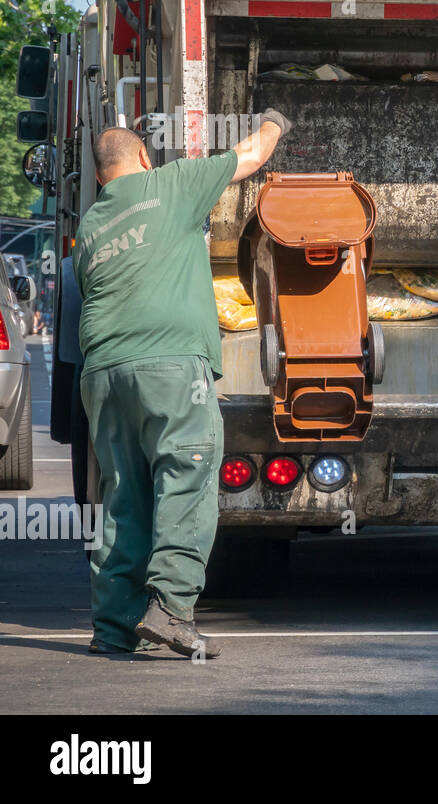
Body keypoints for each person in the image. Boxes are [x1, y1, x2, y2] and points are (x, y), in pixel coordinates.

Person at [76, 112, 288, 656]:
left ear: (102, 177)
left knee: (123, 494)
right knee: (187, 475)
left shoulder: (91, 227)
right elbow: (250, 158)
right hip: (168, 365)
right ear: (145, 157)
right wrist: (272, 124)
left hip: (102, 372)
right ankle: (171, 609)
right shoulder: (169, 183)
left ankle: (115, 627)